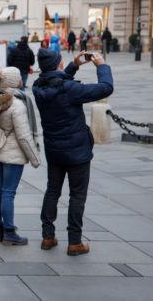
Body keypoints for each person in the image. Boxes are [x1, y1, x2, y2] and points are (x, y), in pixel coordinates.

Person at [33, 49, 113, 256]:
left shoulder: (37, 87)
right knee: (77, 195)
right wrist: (101, 65)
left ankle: (47, 236)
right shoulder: (70, 90)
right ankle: (74, 242)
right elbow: (106, 88)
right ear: (59, 64)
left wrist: (73, 66)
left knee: (52, 191)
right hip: (77, 150)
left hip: (54, 150)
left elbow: (56, 83)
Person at [0, 67, 40, 246]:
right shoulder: (17, 104)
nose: (22, 80)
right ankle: (10, 232)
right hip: (13, 154)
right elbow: (23, 135)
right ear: (14, 82)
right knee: (8, 193)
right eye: (19, 77)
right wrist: (35, 158)